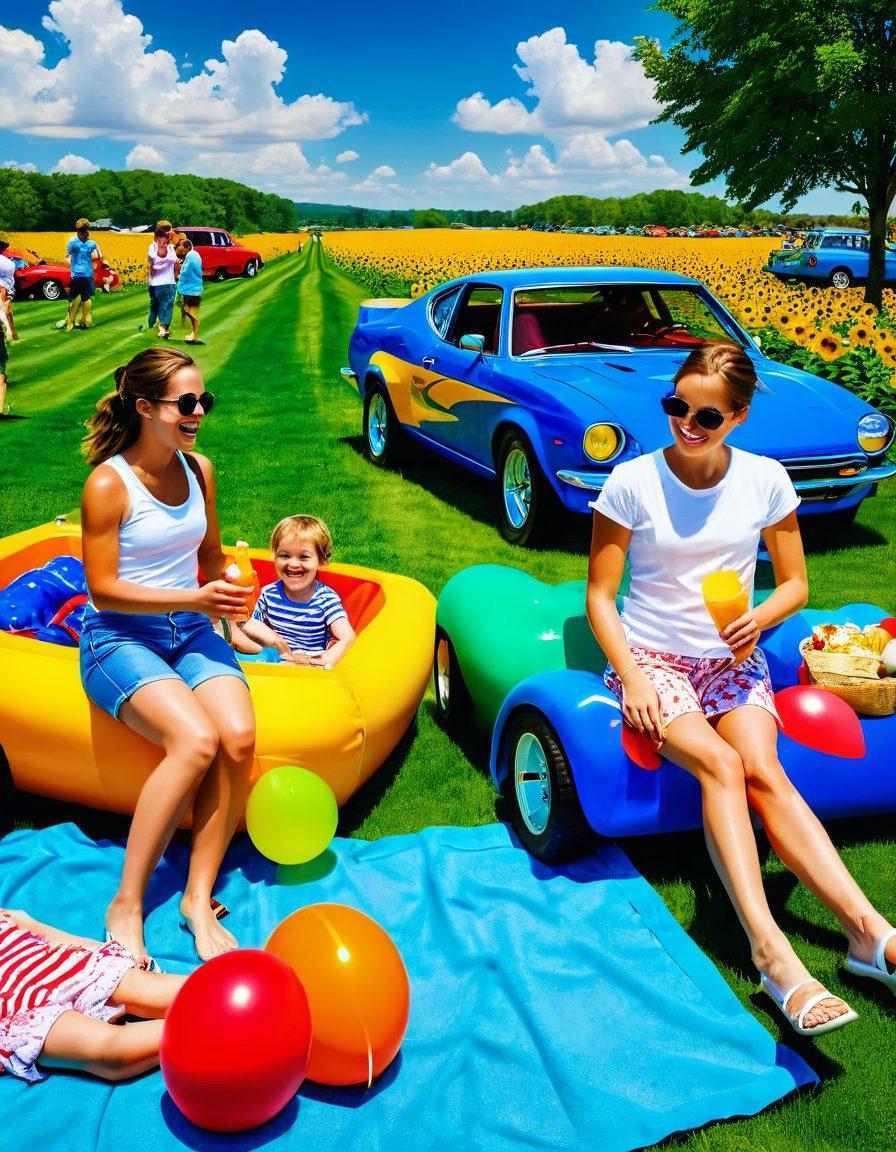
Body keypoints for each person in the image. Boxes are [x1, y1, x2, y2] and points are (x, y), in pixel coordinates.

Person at [587, 339, 895, 1037]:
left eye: (707, 417)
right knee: (721, 765)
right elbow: (601, 597)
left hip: (733, 661)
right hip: (655, 659)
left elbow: (795, 584)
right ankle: (770, 952)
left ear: (740, 416)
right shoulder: (633, 482)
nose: (687, 426)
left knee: (764, 769)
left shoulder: (764, 480)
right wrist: (632, 676)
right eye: (677, 408)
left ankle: (869, 935)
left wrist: (760, 617)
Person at [80, 346, 255, 965]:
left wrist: (231, 588)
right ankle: (127, 902)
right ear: (146, 406)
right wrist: (196, 594)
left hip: (189, 628)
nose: (198, 411)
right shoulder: (109, 483)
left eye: (204, 400)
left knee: (237, 736)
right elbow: (101, 587)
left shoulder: (199, 469)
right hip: (120, 638)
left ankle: (195, 897)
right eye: (186, 402)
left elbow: (207, 553)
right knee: (195, 741)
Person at [0, 907, 186, 1083]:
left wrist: (102, 952)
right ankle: (200, 1030)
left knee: (147, 989)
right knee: (110, 1050)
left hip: (57, 966)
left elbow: (46, 933)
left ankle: (210, 999)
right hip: (18, 1012)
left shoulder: (6, 917)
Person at [240, 515, 356, 666]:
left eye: (304, 557)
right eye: (284, 555)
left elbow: (347, 638)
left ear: (321, 561)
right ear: (275, 557)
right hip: (274, 662)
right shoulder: (269, 594)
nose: (293, 564)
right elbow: (249, 626)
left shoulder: (325, 599)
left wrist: (319, 662)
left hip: (309, 668)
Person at [57, 219, 103, 332]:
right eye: (80, 231)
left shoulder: (92, 244)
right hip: (76, 274)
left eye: (84, 230)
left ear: (88, 230)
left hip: (88, 275)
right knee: (73, 299)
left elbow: (99, 257)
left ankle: (84, 320)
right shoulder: (73, 242)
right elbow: (67, 255)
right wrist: (70, 261)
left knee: (87, 299)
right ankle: (69, 321)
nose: (82, 233)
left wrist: (96, 261)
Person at [145, 227, 177, 339]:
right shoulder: (171, 249)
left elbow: (151, 265)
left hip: (153, 284)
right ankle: (163, 329)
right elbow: (176, 261)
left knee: (156, 305)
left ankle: (153, 323)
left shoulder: (151, 248)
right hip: (168, 283)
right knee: (167, 306)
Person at [174, 237, 203, 344]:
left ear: (187, 247)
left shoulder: (190, 256)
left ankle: (193, 335)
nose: (183, 252)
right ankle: (194, 335)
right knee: (191, 312)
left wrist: (179, 276)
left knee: (188, 312)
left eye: (183, 250)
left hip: (189, 289)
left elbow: (186, 271)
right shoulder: (196, 255)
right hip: (196, 288)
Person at [0, 240, 18, 343]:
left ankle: (9, 335)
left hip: (2, 289)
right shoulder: (9, 263)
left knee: (3, 313)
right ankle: (13, 334)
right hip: (6, 289)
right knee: (7, 312)